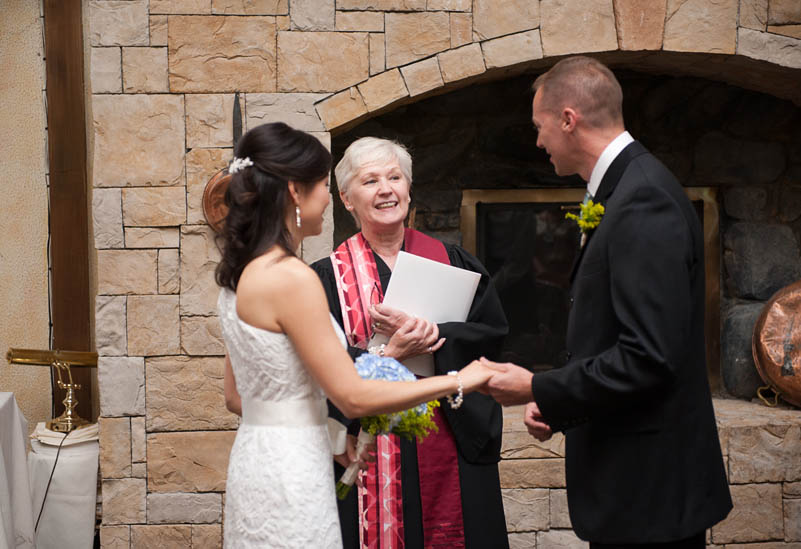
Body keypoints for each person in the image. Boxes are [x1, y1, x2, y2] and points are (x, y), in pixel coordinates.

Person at [481, 56, 733, 548]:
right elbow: (612, 337)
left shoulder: (643, 201)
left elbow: (648, 357)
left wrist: (537, 383)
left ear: (569, 120)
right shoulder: (626, 189)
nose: (537, 142)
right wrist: (560, 404)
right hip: (634, 486)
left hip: (650, 491)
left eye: (540, 127)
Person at [214, 122, 494, 549]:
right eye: (324, 186)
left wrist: (439, 336)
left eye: (395, 177)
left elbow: (237, 397)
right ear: (296, 192)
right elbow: (352, 397)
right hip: (298, 466)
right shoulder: (300, 278)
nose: (326, 198)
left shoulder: (241, 274)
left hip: (260, 458)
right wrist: (458, 379)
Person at [311, 137, 510, 548]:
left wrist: (437, 337)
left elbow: (491, 338)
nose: (386, 189)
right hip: (367, 442)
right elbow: (314, 365)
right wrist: (389, 354)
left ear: (408, 188)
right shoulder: (323, 279)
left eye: (395, 177)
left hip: (447, 434)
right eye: (370, 181)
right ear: (347, 200)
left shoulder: (455, 263)